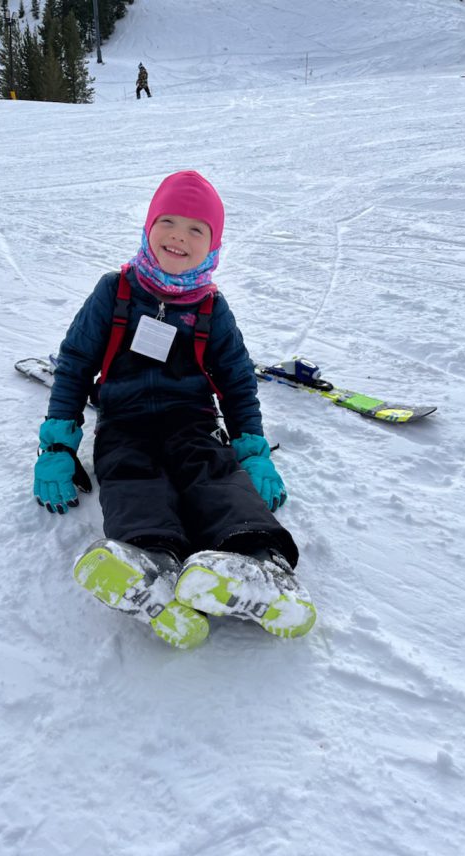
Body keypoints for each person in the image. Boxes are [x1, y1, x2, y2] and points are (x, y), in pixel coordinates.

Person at [33, 170, 317, 650]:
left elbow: (237, 381)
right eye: (167, 221)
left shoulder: (211, 307)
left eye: (195, 229)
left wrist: (251, 447)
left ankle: (259, 566)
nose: (178, 236)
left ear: (213, 244)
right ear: (148, 227)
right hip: (124, 421)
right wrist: (58, 443)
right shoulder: (115, 291)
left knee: (213, 473)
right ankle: (151, 566)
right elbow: (76, 364)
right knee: (130, 475)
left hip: (192, 419)